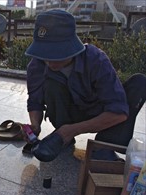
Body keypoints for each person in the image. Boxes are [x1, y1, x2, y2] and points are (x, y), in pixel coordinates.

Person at [24, 9, 146, 162]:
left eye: (56, 54)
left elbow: (119, 111)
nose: (50, 62)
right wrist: (35, 125)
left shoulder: (96, 60)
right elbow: (35, 100)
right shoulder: (37, 65)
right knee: (51, 83)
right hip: (68, 113)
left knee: (139, 83)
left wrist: (72, 130)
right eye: (45, 55)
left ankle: (103, 146)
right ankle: (64, 138)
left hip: (98, 111)